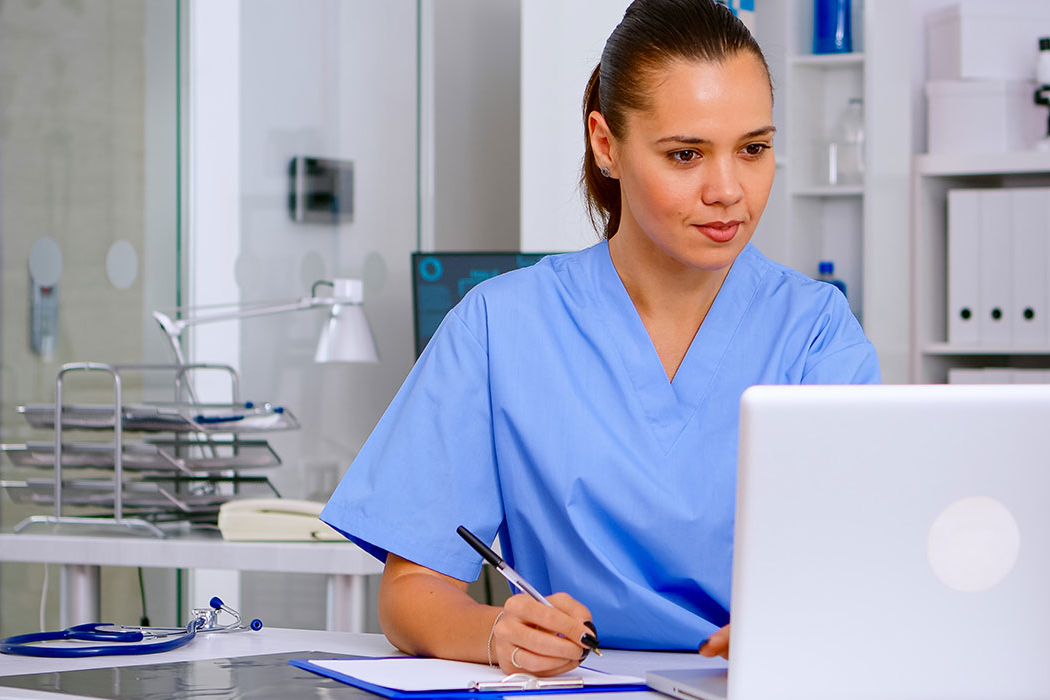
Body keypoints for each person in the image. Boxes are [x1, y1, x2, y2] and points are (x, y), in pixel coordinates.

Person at [321, 0, 878, 678]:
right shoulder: (501, 327)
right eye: (685, 154)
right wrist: (498, 631)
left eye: (754, 149)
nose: (729, 190)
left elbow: (865, 567)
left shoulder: (815, 332)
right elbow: (411, 594)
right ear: (606, 144)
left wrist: (806, 624)